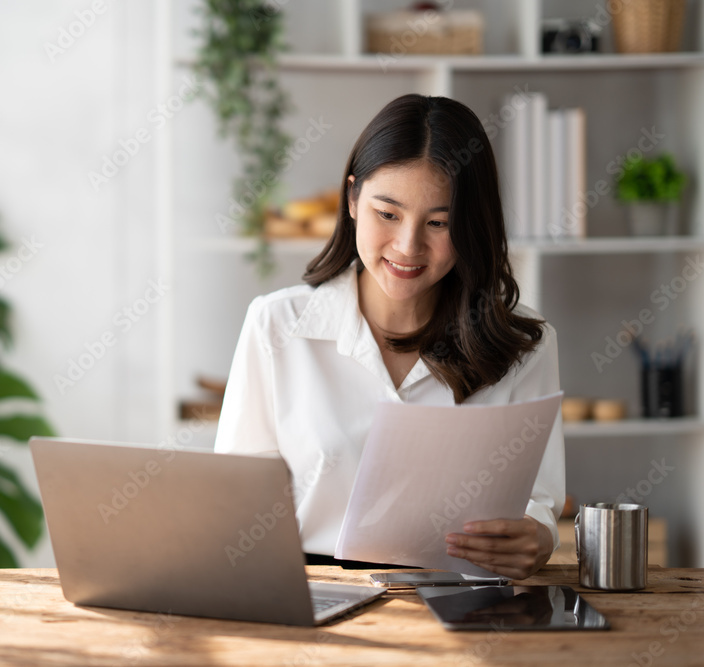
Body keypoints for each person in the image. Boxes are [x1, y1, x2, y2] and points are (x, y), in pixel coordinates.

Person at [213, 93, 564, 580]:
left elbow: (539, 503)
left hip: (462, 600)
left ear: (471, 225)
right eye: (388, 214)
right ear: (353, 199)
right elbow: (237, 506)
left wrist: (539, 537)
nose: (408, 246)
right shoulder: (276, 326)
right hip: (313, 596)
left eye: (438, 223)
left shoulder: (525, 344)